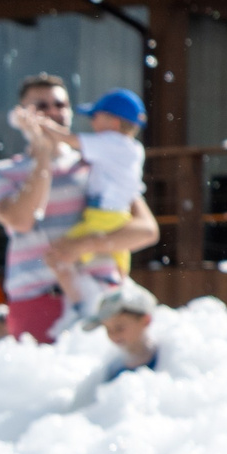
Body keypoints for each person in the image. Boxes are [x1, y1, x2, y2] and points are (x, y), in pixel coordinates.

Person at [0, 75, 162, 342]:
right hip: (36, 299)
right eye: (42, 107)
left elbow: (146, 230)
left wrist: (84, 244)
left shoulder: (98, 166)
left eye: (60, 105)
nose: (53, 112)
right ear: (22, 116)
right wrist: (43, 156)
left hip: (102, 298)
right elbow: (21, 220)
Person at [52, 89, 149, 308]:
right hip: (119, 215)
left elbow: (69, 140)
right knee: (119, 271)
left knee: (57, 254)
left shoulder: (111, 142)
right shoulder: (132, 147)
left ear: (114, 123)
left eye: (95, 117)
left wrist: (41, 127)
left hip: (101, 216)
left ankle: (78, 303)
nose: (91, 123)